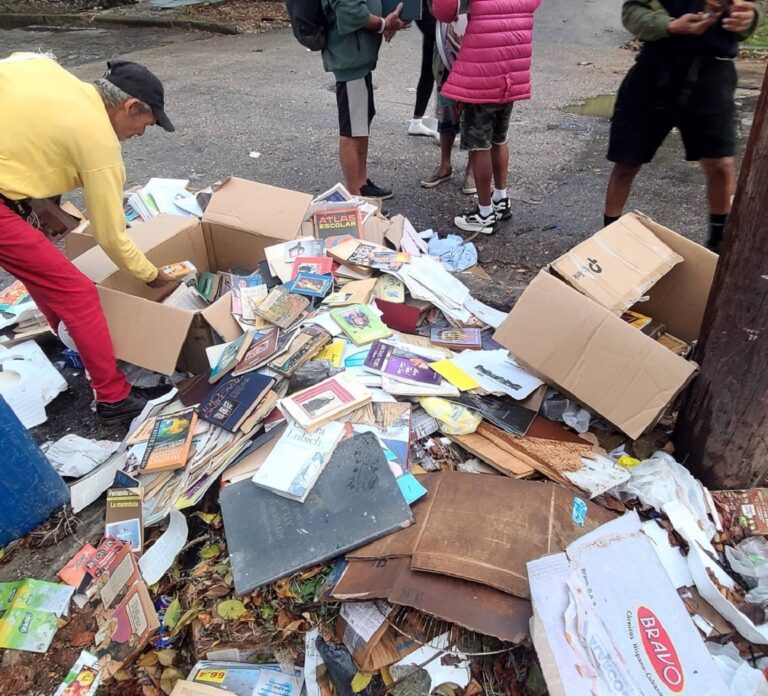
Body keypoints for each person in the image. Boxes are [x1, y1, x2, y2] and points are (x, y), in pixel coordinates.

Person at [0, 53, 177, 423]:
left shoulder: (48, 71)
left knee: (44, 273)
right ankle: (113, 398)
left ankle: (73, 341)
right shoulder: (99, 141)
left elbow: (16, 64)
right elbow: (109, 235)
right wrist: (152, 276)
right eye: (146, 123)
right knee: (78, 292)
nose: (141, 134)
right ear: (130, 106)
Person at [604, 0, 760, 252]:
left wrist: (748, 18)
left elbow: (752, 7)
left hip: (713, 73)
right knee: (626, 162)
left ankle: (718, 246)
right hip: (654, 70)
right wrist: (670, 25)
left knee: (721, 164)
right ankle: (608, 238)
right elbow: (632, 11)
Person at [432, 0, 542, 234]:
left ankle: (484, 213)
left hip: (482, 70)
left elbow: (445, 11)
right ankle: (501, 199)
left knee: (479, 145)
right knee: (499, 138)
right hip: (512, 68)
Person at [320, 0, 410, 199]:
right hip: (350, 61)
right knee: (351, 130)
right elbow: (351, 12)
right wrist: (384, 24)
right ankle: (356, 196)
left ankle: (362, 183)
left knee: (359, 125)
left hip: (358, 60)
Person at [420, 8, 475, 194]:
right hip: (446, 45)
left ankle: (472, 168)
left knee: (473, 112)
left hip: (476, 44)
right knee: (446, 110)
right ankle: (445, 165)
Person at [407, 0, 440, 138]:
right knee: (442, 69)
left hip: (432, 12)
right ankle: (444, 127)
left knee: (429, 68)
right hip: (434, 14)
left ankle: (417, 121)